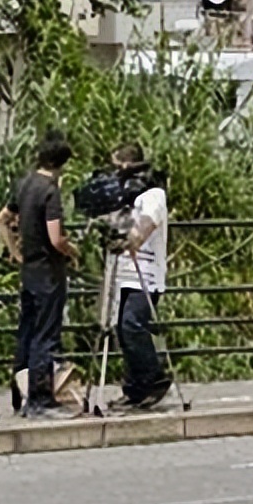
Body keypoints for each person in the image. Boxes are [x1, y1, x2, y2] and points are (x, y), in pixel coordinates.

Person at [0, 130, 79, 419]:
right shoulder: (49, 191)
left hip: (29, 269)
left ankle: (20, 392)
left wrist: (16, 251)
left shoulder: (25, 184)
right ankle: (41, 399)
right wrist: (72, 251)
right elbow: (56, 238)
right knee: (46, 334)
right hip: (49, 271)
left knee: (27, 332)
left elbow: (2, 220)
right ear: (61, 164)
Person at [110, 143, 172, 409]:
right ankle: (134, 389)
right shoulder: (123, 198)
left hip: (145, 273)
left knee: (132, 325)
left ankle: (154, 378)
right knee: (121, 330)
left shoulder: (153, 194)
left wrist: (132, 239)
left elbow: (147, 224)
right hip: (123, 272)